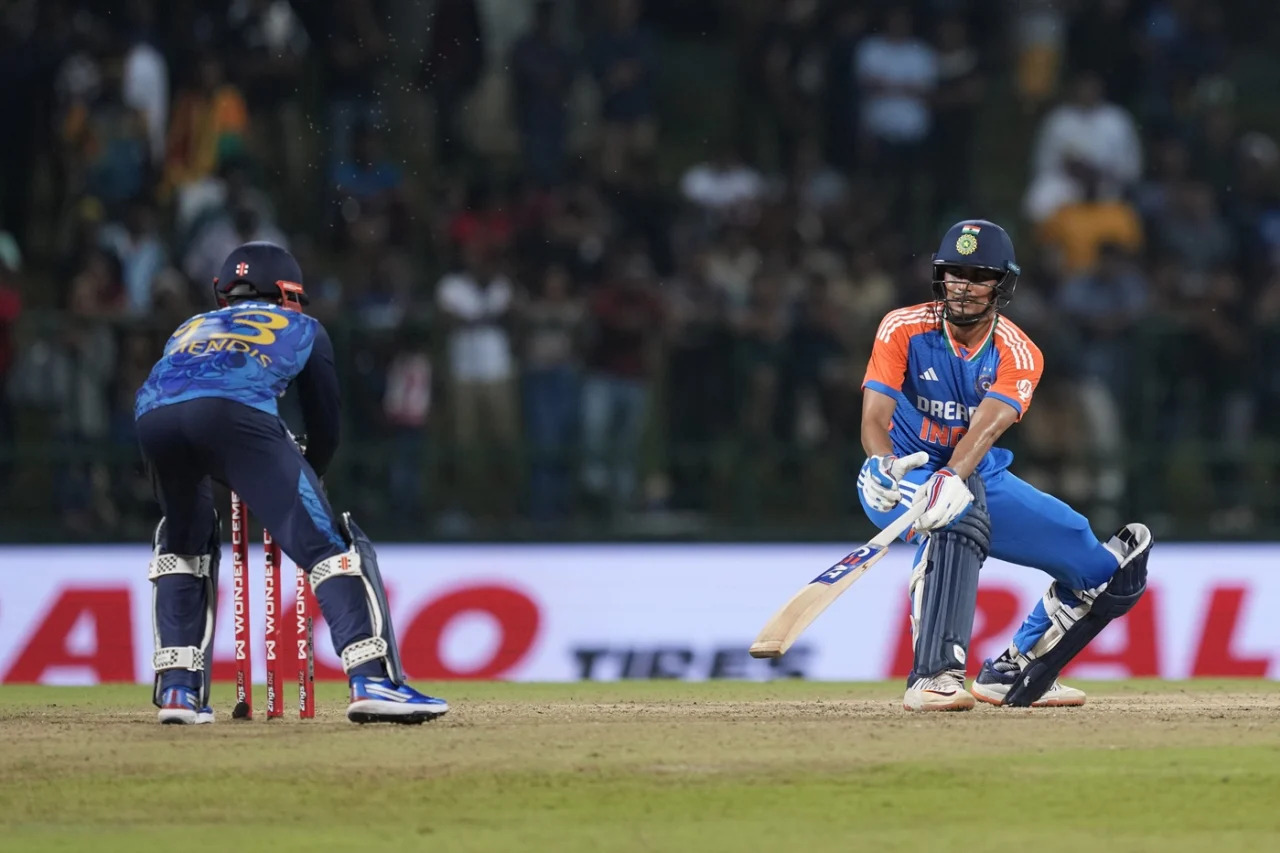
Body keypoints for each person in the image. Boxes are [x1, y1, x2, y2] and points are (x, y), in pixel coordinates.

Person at [134, 242, 448, 725]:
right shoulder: (303, 326)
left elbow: (192, 404)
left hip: (153, 418)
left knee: (184, 542)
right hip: (235, 417)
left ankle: (178, 692)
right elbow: (326, 428)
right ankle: (372, 680)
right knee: (328, 544)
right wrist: (303, 481)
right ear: (287, 291)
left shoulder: (188, 327)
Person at [856, 220, 1151, 711]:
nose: (964, 286)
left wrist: (951, 478)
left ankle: (1012, 673)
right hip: (898, 479)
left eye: (979, 275)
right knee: (957, 517)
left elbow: (985, 431)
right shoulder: (902, 327)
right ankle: (932, 676)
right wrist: (881, 463)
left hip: (975, 475)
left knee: (1103, 572)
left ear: (1002, 284)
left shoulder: (1018, 352)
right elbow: (873, 417)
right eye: (954, 273)